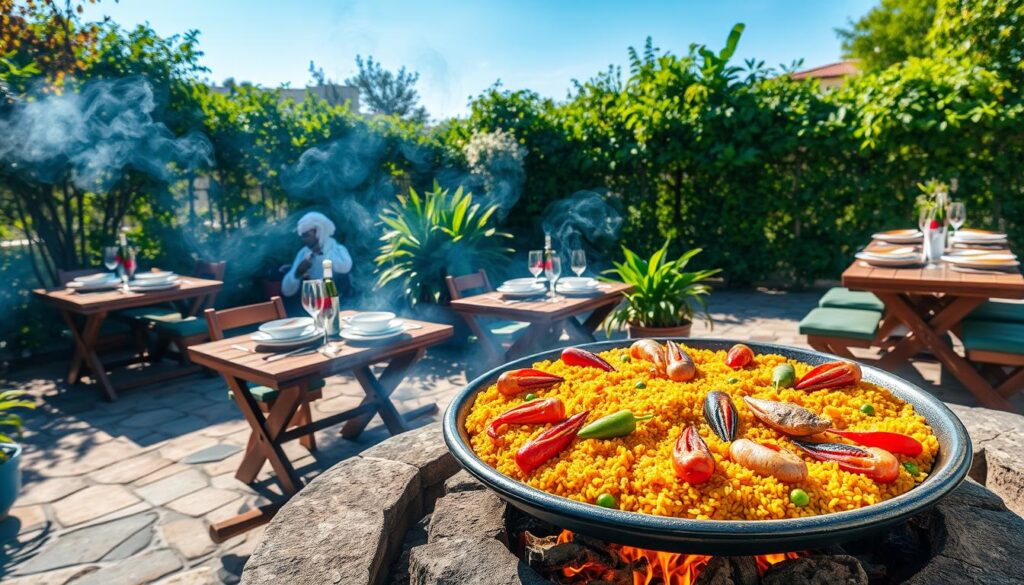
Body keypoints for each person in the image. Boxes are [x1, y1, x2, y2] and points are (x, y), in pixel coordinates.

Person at [281, 211, 353, 297]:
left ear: (319, 232)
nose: (304, 239)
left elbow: (345, 267)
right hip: (313, 303)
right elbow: (286, 290)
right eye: (303, 236)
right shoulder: (304, 253)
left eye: (307, 235)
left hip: (341, 304)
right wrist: (297, 272)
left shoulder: (338, 250)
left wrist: (323, 255)